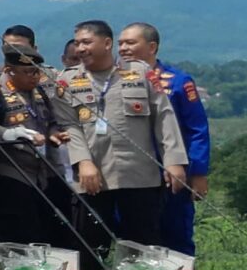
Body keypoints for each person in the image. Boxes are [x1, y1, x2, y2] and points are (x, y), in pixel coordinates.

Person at [0, 43, 100, 270]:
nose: (34, 77)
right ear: (10, 71)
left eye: (36, 71)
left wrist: (55, 134)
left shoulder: (40, 92)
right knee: (18, 237)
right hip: (11, 174)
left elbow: (51, 121)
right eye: (27, 72)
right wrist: (10, 133)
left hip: (43, 173)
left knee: (49, 233)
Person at [58, 19, 187, 249]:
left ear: (107, 43)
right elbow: (69, 124)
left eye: (87, 42)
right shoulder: (67, 80)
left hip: (139, 177)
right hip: (94, 178)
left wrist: (174, 161)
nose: (80, 49)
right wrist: (84, 162)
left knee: (144, 246)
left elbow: (164, 116)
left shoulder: (139, 72)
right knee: (90, 248)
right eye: (77, 43)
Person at [119, 23, 211, 255]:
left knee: (176, 236)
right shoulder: (115, 81)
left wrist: (198, 172)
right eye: (120, 43)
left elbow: (196, 128)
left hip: (172, 175)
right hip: (132, 175)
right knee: (134, 238)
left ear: (152, 47)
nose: (123, 49)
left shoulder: (177, 81)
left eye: (130, 43)